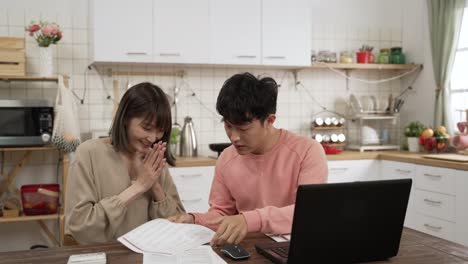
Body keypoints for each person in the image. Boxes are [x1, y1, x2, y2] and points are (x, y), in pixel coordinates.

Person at [169, 72, 328, 246]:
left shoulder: (307, 151)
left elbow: (308, 214)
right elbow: (221, 214)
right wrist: (194, 219)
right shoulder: (227, 158)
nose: (234, 137)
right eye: (228, 126)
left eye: (243, 129)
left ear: (269, 120)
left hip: (296, 247)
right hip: (249, 248)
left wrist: (248, 220)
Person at [65, 82, 185, 244]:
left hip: (150, 256)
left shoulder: (153, 158)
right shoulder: (88, 153)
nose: (153, 137)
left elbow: (179, 225)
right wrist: (139, 187)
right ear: (125, 119)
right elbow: (81, 228)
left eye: (160, 130)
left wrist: (155, 186)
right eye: (147, 127)